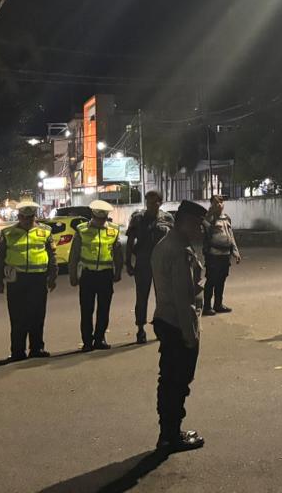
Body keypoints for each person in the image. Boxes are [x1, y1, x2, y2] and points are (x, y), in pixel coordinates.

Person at [152, 200, 208, 453]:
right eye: (197, 224)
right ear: (185, 222)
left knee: (169, 381)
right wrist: (190, 335)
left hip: (166, 318)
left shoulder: (166, 244)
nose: (200, 229)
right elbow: (184, 299)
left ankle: (170, 432)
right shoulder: (179, 250)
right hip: (177, 322)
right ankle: (171, 436)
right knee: (177, 382)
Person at [0, 200, 57, 360]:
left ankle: (37, 348)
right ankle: (18, 351)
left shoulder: (45, 231)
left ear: (34, 217)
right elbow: (0, 258)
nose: (27, 220)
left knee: (38, 315)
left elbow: (52, 256)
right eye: (24, 217)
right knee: (17, 317)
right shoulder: (8, 233)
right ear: (19, 216)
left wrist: (53, 276)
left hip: (38, 279)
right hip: (17, 280)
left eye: (30, 217)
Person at [69, 200, 125, 351]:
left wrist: (118, 271)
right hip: (88, 275)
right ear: (93, 216)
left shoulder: (113, 230)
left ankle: (100, 338)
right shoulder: (82, 230)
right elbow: (74, 255)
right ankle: (87, 341)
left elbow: (118, 253)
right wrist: (73, 275)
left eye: (103, 218)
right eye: (98, 218)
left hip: (105, 275)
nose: (101, 221)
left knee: (104, 309)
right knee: (86, 310)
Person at [126, 191, 174, 344]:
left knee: (163, 297)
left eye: (154, 202)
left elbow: (174, 240)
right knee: (141, 297)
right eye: (148, 202)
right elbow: (130, 241)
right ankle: (140, 328)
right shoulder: (138, 218)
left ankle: (162, 327)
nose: (151, 205)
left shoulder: (167, 218)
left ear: (160, 202)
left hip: (162, 264)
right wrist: (128, 262)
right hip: (143, 263)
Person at [202, 195, 240, 316]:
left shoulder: (226, 218)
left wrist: (235, 252)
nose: (219, 205)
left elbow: (230, 235)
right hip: (213, 255)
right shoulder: (208, 219)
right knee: (211, 280)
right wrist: (210, 215)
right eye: (215, 203)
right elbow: (204, 231)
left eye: (221, 202)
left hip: (225, 254)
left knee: (221, 280)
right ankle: (207, 306)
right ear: (211, 205)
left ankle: (218, 304)